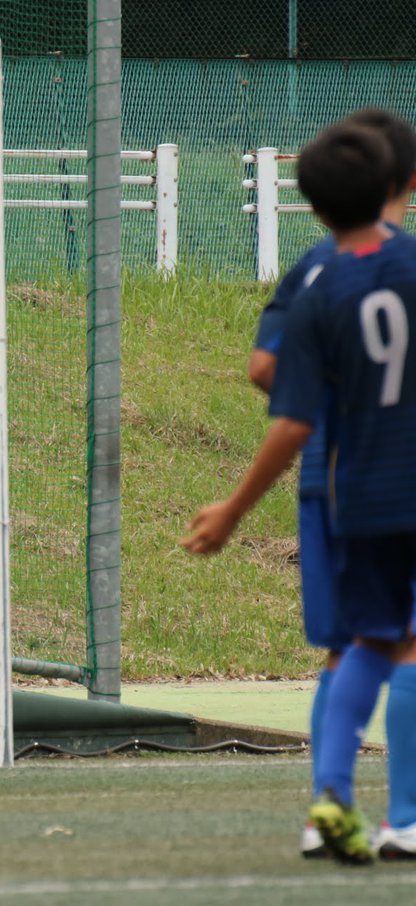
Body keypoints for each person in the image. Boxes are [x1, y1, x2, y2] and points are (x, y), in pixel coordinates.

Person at [181, 119, 416, 865]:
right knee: (405, 647)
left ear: (311, 209)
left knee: (360, 644)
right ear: (401, 185)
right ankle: (406, 819)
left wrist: (233, 509)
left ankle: (331, 803)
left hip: (349, 489)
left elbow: (276, 396)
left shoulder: (318, 285)